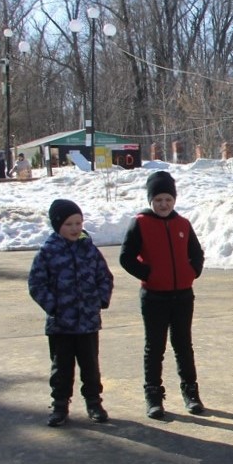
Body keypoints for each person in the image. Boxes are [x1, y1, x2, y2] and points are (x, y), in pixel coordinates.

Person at [119, 170, 206, 420]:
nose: (163, 204)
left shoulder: (183, 224)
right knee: (154, 347)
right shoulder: (140, 223)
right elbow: (126, 257)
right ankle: (154, 396)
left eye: (167, 199)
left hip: (182, 296)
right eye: (158, 200)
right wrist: (148, 273)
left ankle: (191, 392)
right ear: (150, 201)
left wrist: (192, 272)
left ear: (174, 200)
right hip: (154, 297)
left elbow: (196, 253)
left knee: (183, 346)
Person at [28, 199, 115, 427]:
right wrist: (53, 306)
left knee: (90, 367)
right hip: (61, 325)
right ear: (58, 226)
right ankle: (59, 405)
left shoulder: (89, 250)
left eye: (78, 223)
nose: (75, 228)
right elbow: (37, 284)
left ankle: (94, 402)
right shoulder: (48, 252)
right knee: (62, 368)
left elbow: (104, 277)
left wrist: (100, 300)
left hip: (87, 322)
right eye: (69, 224)